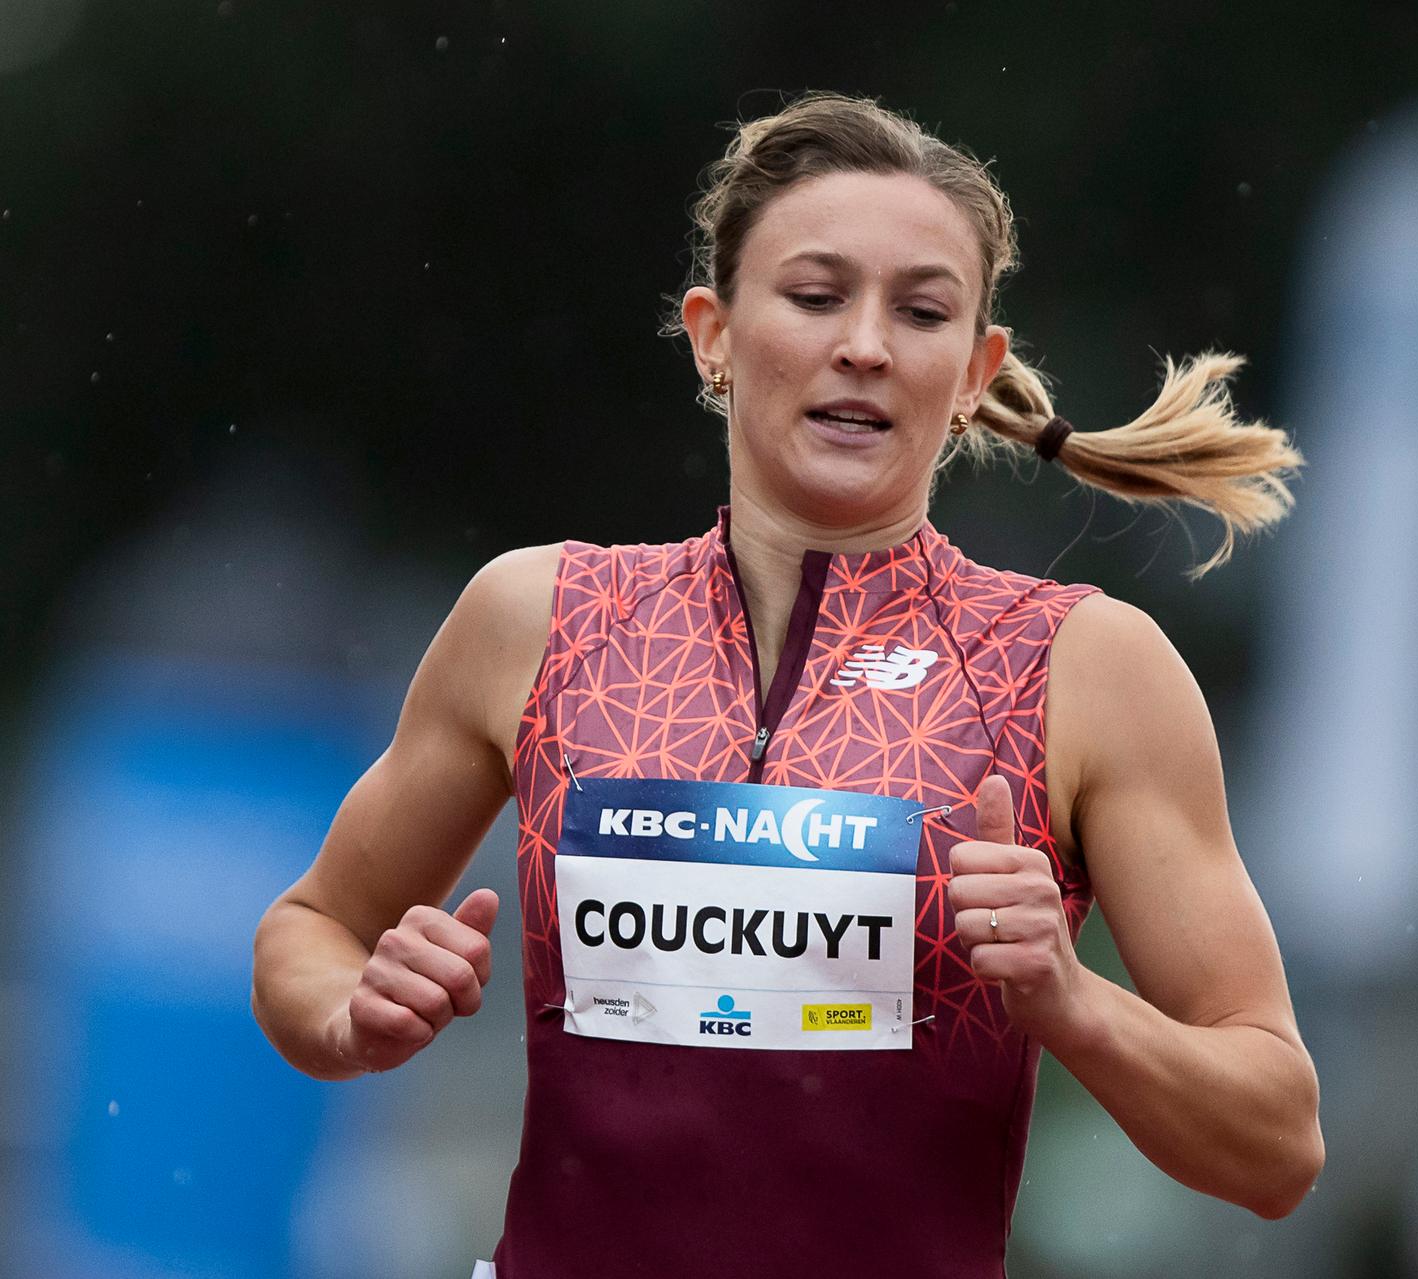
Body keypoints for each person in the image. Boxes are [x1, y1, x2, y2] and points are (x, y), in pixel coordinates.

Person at [251, 90, 1321, 1277]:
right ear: (712, 332)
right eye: (816, 296)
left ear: (976, 370)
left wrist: (1076, 1006)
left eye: (920, 311)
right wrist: (355, 1017)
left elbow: (1276, 1141)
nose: (864, 342)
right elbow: (311, 931)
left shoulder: (1083, 667)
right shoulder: (537, 616)